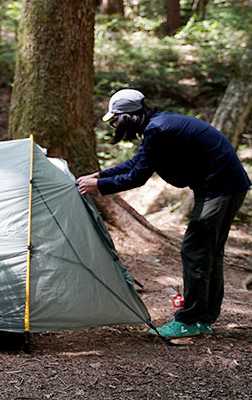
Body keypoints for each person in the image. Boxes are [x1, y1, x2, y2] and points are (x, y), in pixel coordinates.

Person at [78, 88, 250, 339]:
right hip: (225, 186)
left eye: (115, 120)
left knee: (195, 250)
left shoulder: (158, 130)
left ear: (127, 118)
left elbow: (138, 176)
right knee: (208, 252)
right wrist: (101, 175)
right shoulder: (160, 125)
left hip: (220, 189)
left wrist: (99, 187)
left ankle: (190, 320)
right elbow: (137, 163)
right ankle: (203, 318)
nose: (114, 125)